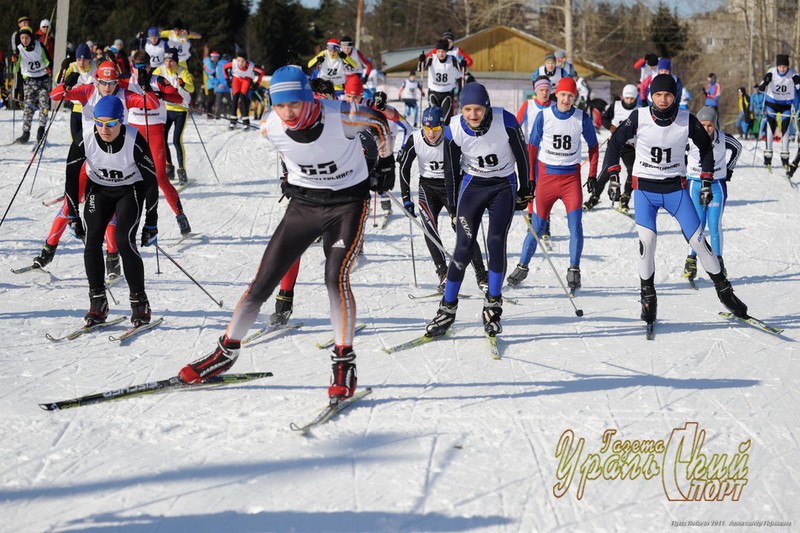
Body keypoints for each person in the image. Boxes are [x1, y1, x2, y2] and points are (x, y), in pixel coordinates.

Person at [178, 66, 395, 404]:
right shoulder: (270, 126)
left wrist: (385, 166)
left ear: (309, 98)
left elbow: (381, 124)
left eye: (294, 103)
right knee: (262, 282)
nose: (288, 112)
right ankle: (225, 352)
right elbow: (287, 149)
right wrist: (288, 176)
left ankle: (344, 362)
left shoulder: (345, 116)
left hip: (347, 205)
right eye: (280, 105)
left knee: (333, 277)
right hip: (303, 206)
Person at [602, 74, 748, 327]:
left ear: (675, 97)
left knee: (699, 241)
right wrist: (614, 176)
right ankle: (648, 297)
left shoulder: (687, 120)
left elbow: (705, 149)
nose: (662, 99)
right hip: (645, 191)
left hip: (675, 191)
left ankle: (726, 293)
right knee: (647, 242)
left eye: (667, 95)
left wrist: (705, 180)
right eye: (658, 95)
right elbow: (614, 144)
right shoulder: (639, 117)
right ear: (651, 96)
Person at [424, 82, 530, 338]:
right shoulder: (454, 129)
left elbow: (523, 156)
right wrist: (451, 205)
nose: (473, 115)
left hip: (503, 186)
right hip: (472, 186)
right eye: (468, 109)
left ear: (487, 107)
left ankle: (493, 304)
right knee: (463, 246)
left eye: (478, 109)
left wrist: (526, 189)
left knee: (495, 241)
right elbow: (450, 171)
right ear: (462, 109)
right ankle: (447, 308)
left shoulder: (506, 121)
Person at [64, 96, 159, 327]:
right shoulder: (85, 138)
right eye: (99, 123)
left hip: (129, 191)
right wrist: (73, 215)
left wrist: (151, 222)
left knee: (123, 240)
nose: (104, 129)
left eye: (111, 124)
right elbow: (71, 178)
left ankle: (140, 303)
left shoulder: (134, 140)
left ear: (121, 121)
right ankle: (98, 302)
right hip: (99, 191)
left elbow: (150, 182)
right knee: (92, 238)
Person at [507, 77, 598, 290]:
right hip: (546, 179)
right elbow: (532, 147)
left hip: (570, 180)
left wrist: (592, 175)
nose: (566, 100)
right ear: (557, 94)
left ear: (575, 97)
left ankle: (574, 268)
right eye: (563, 95)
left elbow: (593, 147)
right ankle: (522, 266)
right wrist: (530, 178)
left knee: (575, 225)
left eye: (571, 96)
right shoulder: (543, 115)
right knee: (537, 226)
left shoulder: (581, 118)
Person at [399, 106, 490, 292]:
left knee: (464, 228)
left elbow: (469, 160)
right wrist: (406, 198)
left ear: (442, 126)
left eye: (435, 129)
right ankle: (443, 273)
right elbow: (403, 168)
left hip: (453, 187)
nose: (431, 134)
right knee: (429, 229)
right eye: (427, 129)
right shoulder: (416, 138)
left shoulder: (452, 136)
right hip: (428, 188)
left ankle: (482, 275)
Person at [120, 49, 192, 235]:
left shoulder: (157, 80)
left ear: (150, 67)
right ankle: (120, 223)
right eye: (137, 68)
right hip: (134, 132)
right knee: (127, 177)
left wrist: (158, 94)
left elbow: (178, 97)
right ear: (132, 67)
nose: (140, 72)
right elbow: (106, 83)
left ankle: (181, 216)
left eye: (144, 68)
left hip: (154, 132)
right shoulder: (128, 79)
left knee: (160, 177)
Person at [682, 106, 741, 283]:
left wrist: (729, 169)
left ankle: (718, 261)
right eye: (703, 124)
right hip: (695, 183)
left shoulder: (724, 139)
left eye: (710, 125)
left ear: (715, 124)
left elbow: (738, 148)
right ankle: (691, 260)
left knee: (714, 225)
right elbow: (678, 153)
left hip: (717, 184)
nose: (706, 128)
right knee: (697, 224)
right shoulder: (689, 139)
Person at [583, 83, 638, 211]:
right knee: (605, 173)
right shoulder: (616, 106)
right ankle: (594, 197)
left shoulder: (640, 109)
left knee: (632, 172)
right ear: (623, 97)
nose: (629, 101)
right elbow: (604, 119)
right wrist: (612, 128)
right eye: (627, 98)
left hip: (630, 147)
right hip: (615, 145)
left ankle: (625, 198)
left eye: (632, 99)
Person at [154, 47, 194, 184]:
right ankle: (169, 166)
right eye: (166, 60)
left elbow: (191, 88)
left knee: (177, 140)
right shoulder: (160, 71)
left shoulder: (183, 71)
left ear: (176, 61)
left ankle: (182, 170)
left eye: (171, 60)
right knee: (163, 139)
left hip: (181, 109)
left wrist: (183, 84)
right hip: (166, 109)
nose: (168, 63)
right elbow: (152, 81)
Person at [757, 54, 800, 170]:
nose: (782, 69)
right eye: (780, 66)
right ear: (777, 66)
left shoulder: (792, 73)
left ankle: (785, 156)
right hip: (772, 103)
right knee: (771, 125)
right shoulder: (771, 72)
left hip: (786, 104)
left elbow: (798, 85)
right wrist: (766, 82)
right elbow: (760, 88)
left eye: (785, 67)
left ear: (788, 67)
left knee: (785, 128)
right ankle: (768, 155)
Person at [418, 40, 461, 123]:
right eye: (439, 51)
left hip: (447, 93)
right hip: (434, 92)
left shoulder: (452, 59)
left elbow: (462, 69)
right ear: (436, 51)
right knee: (434, 116)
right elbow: (421, 69)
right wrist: (421, 61)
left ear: (446, 52)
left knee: (446, 118)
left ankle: (446, 135)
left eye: (443, 51)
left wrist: (463, 64)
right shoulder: (431, 58)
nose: (441, 54)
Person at [61, 43, 97, 140]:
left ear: (90, 59)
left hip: (93, 109)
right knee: (75, 140)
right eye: (79, 60)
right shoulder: (73, 66)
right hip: (76, 108)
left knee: (91, 139)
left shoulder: (96, 66)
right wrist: (63, 69)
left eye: (85, 60)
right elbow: (59, 82)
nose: (81, 63)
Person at [222, 50, 264, 129]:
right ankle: (233, 121)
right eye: (238, 61)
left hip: (246, 79)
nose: (240, 63)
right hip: (236, 79)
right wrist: (227, 79)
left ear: (246, 61)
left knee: (243, 99)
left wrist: (257, 83)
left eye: (242, 61)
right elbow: (224, 67)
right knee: (235, 99)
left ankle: (246, 122)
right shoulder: (234, 63)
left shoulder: (251, 66)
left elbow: (262, 72)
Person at [516, 75, 554, 143]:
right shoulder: (528, 105)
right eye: (541, 90)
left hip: (549, 146)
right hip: (530, 146)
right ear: (536, 90)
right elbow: (516, 125)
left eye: (547, 90)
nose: (544, 93)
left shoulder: (555, 106)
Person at [202, 48, 221, 117]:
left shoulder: (217, 63)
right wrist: (214, 73)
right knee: (211, 99)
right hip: (210, 84)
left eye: (217, 57)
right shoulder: (208, 63)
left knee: (216, 100)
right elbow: (209, 70)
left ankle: (214, 113)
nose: (216, 58)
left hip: (216, 84)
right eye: (214, 57)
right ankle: (209, 113)